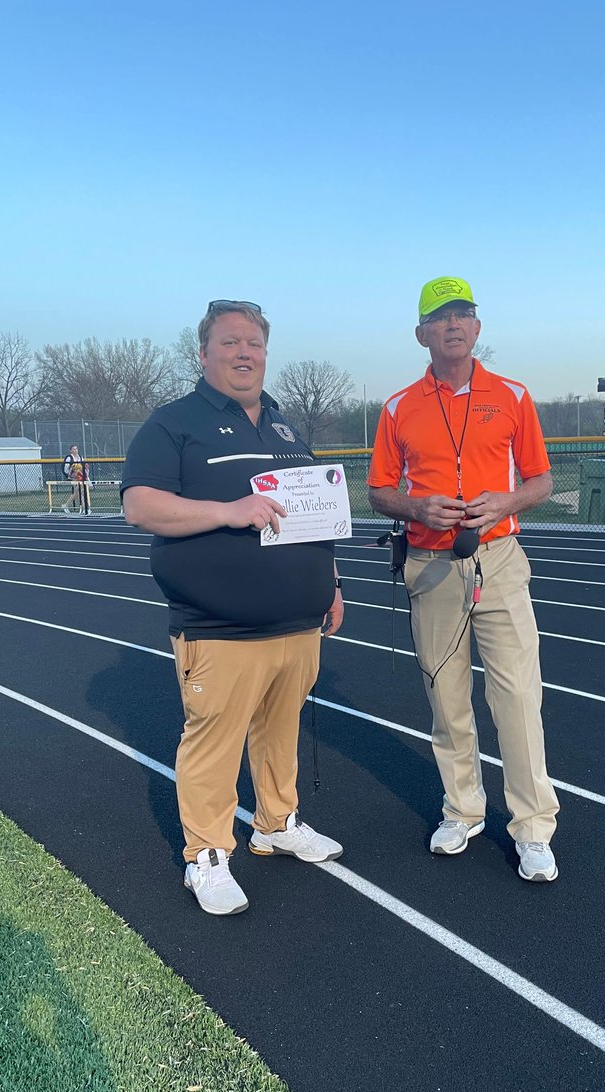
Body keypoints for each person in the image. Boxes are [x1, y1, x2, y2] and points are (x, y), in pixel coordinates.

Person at [122, 300, 344, 916]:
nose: (244, 352)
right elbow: (139, 506)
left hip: (297, 621)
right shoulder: (173, 423)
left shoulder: (284, 427)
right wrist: (227, 511)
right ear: (204, 353)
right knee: (213, 743)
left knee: (280, 731)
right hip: (219, 627)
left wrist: (330, 582)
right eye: (230, 342)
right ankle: (207, 855)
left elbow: (313, 517)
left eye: (254, 343)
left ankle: (276, 822)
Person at [368, 276, 560, 882]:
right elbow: (378, 491)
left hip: (498, 561)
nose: (453, 324)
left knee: (518, 698)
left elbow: (541, 481)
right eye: (441, 316)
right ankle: (462, 809)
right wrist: (416, 508)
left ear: (476, 328)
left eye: (463, 314)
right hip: (431, 568)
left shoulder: (513, 396)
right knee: (447, 699)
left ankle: (533, 827)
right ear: (421, 333)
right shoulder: (398, 407)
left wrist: (506, 502)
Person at [62, 444, 89, 515]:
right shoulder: (69, 458)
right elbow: (66, 469)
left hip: (81, 477)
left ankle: (83, 508)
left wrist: (86, 477)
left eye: (76, 449)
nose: (75, 450)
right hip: (73, 478)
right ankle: (84, 508)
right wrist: (70, 475)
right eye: (74, 449)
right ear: (70, 450)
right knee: (79, 492)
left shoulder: (80, 457)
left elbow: (84, 467)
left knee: (79, 493)